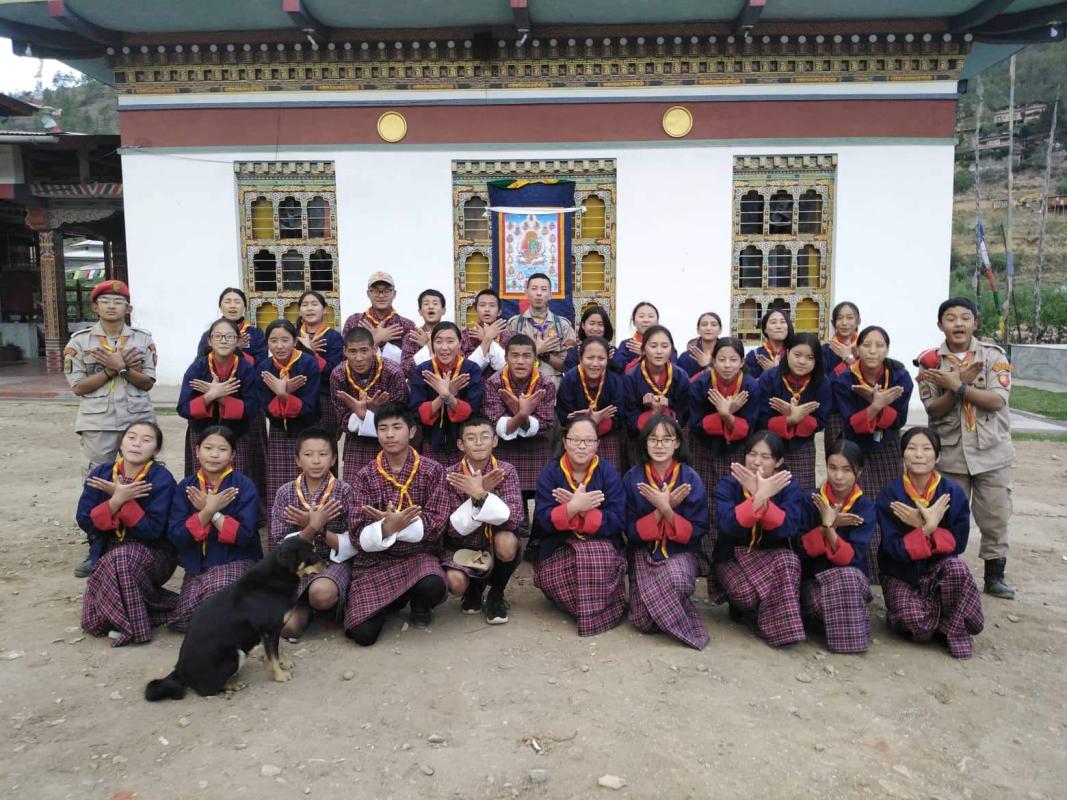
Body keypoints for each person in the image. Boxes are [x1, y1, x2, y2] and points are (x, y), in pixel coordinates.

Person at [916, 297, 1016, 599]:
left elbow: (998, 400)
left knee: (995, 514)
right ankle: (947, 571)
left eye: (964, 318)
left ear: (976, 322)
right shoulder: (930, 362)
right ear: (940, 325)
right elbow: (933, 409)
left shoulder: (994, 357)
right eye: (950, 318)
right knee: (949, 516)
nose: (958, 324)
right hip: (951, 452)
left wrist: (959, 387)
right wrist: (953, 385)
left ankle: (994, 575)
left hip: (991, 452)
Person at [64, 279, 158, 579]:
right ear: (95, 307)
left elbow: (148, 382)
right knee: (98, 481)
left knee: (140, 479)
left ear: (128, 308)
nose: (112, 305)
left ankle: (139, 540)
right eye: (105, 301)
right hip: (98, 422)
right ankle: (97, 546)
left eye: (118, 302)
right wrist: (109, 369)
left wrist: (123, 369)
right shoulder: (80, 342)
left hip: (137, 419)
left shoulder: (142, 340)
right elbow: (78, 386)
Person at [344, 403, 450, 644]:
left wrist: (397, 524)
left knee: (433, 585)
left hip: (418, 554)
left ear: (412, 431)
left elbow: (437, 521)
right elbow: (356, 531)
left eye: (396, 427)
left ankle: (419, 602)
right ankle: (393, 599)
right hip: (376, 562)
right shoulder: (365, 475)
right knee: (363, 635)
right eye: (382, 428)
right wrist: (387, 527)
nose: (389, 435)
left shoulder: (432, 470)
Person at [877, 427, 984, 659]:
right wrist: (926, 528)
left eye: (926, 449)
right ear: (902, 454)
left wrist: (929, 528)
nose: (918, 455)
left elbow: (958, 543)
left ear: (937, 457)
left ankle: (951, 629)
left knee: (957, 567)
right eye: (912, 448)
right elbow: (891, 548)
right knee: (917, 625)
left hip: (937, 571)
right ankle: (940, 617)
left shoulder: (952, 493)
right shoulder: (890, 494)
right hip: (900, 572)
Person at [76, 422, 178, 646]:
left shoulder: (161, 479)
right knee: (93, 623)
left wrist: (127, 502)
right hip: (107, 551)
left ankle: (132, 627)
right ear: (121, 444)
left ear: (156, 450)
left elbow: (153, 531)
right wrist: (115, 501)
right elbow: (85, 521)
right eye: (131, 437)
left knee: (122, 558)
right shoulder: (102, 473)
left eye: (146, 440)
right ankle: (145, 609)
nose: (137, 443)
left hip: (153, 553)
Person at [532, 415, 627, 636]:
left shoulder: (608, 473)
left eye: (588, 441)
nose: (582, 446)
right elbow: (542, 520)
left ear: (597, 444)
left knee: (594, 557)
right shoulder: (551, 473)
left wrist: (585, 511)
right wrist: (571, 509)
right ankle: (595, 609)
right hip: (559, 546)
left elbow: (618, 519)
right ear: (565, 441)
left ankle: (587, 609)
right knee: (570, 573)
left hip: (600, 544)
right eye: (576, 440)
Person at [832, 325, 913, 578]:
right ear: (857, 348)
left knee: (889, 502)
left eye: (879, 345)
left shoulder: (900, 376)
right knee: (858, 502)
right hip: (855, 446)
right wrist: (876, 404)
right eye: (867, 345)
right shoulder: (845, 378)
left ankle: (887, 566)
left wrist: (875, 408)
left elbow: (899, 419)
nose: (873, 350)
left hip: (887, 444)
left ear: (887, 349)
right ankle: (861, 565)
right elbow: (849, 421)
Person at [623, 415, 710, 649]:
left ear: (677, 443)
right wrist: (661, 510)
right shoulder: (632, 477)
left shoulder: (690, 477)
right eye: (653, 439)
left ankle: (668, 606)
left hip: (678, 550)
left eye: (666, 439)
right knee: (642, 621)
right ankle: (667, 607)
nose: (659, 445)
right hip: (644, 552)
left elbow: (698, 529)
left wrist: (666, 509)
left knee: (676, 580)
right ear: (645, 443)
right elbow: (630, 531)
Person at [712, 431, 805, 648]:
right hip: (733, 555)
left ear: (778, 462)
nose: (756, 462)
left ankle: (781, 629)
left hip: (772, 556)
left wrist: (763, 497)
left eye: (765, 457)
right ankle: (744, 609)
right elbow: (726, 525)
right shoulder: (729, 483)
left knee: (789, 561)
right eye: (752, 454)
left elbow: (788, 529)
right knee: (744, 594)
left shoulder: (789, 487)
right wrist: (759, 497)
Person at [269, 427, 360, 641]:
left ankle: (324, 603)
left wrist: (316, 529)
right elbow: (278, 544)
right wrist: (312, 527)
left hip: (333, 561)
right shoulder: (285, 492)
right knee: (286, 628)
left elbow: (355, 540)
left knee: (321, 594)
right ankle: (305, 608)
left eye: (323, 454)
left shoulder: (344, 491)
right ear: (298, 460)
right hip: (295, 566)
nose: (316, 461)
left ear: (333, 459)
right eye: (308, 455)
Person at [167, 425, 262, 631]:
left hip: (235, 560)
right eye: (208, 448)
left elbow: (245, 535)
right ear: (197, 451)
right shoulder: (186, 486)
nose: (214, 455)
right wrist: (207, 511)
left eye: (222, 449)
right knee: (183, 619)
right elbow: (177, 536)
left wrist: (215, 514)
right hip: (198, 566)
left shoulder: (243, 485)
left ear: (233, 455)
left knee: (217, 596)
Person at [689, 337, 761, 577]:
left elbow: (749, 426)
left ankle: (728, 559)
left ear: (742, 362)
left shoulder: (750, 386)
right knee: (704, 499)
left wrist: (725, 414)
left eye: (733, 359)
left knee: (733, 499)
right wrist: (728, 415)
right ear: (713, 360)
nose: (727, 365)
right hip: (704, 447)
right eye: (721, 359)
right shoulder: (701, 384)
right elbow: (697, 424)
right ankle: (703, 559)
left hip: (737, 449)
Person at [442, 417, 524, 624]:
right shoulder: (450, 475)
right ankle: (472, 590)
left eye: (485, 436)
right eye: (471, 438)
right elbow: (451, 529)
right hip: (461, 545)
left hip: (494, 543)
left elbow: (514, 518)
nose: (478, 442)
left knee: (507, 541)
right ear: (461, 444)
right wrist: (478, 496)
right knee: (455, 582)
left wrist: (481, 495)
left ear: (495, 441)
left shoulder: (506, 471)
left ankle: (496, 593)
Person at [797, 440, 876, 654]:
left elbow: (851, 558)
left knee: (849, 576)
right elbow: (801, 550)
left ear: (859, 472)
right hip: (815, 580)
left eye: (846, 470)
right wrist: (826, 526)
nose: (838, 477)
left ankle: (845, 637)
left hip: (851, 577)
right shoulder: (810, 500)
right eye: (832, 468)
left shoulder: (865, 507)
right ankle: (846, 627)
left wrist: (829, 526)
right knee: (823, 605)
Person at [177, 318, 260, 477]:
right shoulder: (197, 368)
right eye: (218, 336)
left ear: (237, 341)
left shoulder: (246, 369)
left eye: (229, 336)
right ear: (209, 340)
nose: (224, 341)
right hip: (202, 433)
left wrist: (221, 398)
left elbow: (252, 409)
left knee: (235, 480)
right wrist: (210, 396)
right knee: (203, 479)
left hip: (236, 434)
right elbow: (183, 408)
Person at [480, 334, 557, 494]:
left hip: (537, 449)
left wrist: (518, 414)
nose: (520, 361)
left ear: (535, 358)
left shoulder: (546, 384)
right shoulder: (494, 382)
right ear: (506, 358)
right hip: (504, 450)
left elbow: (545, 424)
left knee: (541, 507)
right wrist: (522, 414)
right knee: (510, 504)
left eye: (527, 356)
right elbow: (494, 423)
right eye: (514, 356)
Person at [331, 326, 409, 484]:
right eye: (352, 351)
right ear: (344, 351)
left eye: (364, 350)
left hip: (391, 441)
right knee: (355, 494)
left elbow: (401, 414)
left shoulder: (392, 372)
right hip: (356, 443)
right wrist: (364, 414)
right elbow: (343, 420)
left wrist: (369, 412)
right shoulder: (338, 375)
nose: (358, 358)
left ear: (374, 349)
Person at [757, 332, 831, 491]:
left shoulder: (822, 382)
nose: (802, 361)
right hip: (769, 445)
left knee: (801, 492)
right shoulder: (769, 377)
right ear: (788, 352)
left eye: (810, 358)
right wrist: (790, 419)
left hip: (803, 446)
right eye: (797, 355)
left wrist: (797, 418)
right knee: (769, 491)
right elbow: (761, 417)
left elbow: (822, 420)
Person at [259, 320, 321, 505]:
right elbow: (265, 406)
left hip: (307, 429)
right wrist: (284, 394)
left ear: (295, 341)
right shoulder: (264, 367)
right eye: (273, 340)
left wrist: (282, 394)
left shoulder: (308, 363)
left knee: (309, 479)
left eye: (285, 340)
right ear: (267, 343)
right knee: (279, 481)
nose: (279, 346)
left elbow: (309, 406)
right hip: (278, 431)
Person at [410, 321, 483, 460]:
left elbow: (473, 410)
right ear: (431, 345)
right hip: (430, 441)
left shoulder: (471, 369)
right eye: (438, 342)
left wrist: (449, 397)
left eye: (450, 341)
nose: (444, 347)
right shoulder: (423, 370)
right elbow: (417, 413)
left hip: (464, 442)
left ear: (460, 343)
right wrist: (443, 396)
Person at [556, 336, 626, 469]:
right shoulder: (570, 380)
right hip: (576, 438)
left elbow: (619, 415)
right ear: (581, 358)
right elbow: (565, 416)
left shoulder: (615, 381)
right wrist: (590, 421)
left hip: (607, 436)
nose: (595, 364)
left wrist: (598, 422)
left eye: (601, 358)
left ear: (608, 359)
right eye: (590, 358)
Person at [504, 272, 577, 386]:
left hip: (553, 387)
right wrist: (537, 350)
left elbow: (569, 366)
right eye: (534, 289)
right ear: (526, 293)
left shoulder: (562, 325)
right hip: (521, 387)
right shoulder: (515, 324)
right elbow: (506, 361)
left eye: (543, 289)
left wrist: (546, 356)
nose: (539, 293)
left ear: (550, 295)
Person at [622, 325, 691, 437]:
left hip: (672, 435)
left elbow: (683, 411)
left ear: (672, 350)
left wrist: (664, 409)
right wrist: (653, 413)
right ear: (643, 350)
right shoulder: (631, 377)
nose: (659, 351)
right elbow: (630, 414)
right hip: (639, 436)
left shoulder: (680, 376)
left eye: (664, 346)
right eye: (653, 346)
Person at [340, 271, 416, 365]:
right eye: (376, 291)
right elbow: (343, 357)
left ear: (394, 294)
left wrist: (384, 344)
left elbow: (410, 363)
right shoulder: (355, 321)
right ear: (368, 293)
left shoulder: (406, 325)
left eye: (387, 291)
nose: (381, 295)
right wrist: (375, 339)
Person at [296, 290, 345, 438]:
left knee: (326, 445)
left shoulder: (334, 337)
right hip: (298, 396)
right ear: (299, 311)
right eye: (305, 305)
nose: (310, 308)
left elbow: (334, 370)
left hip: (325, 398)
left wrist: (311, 353)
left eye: (314, 304)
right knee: (301, 445)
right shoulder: (293, 336)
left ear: (324, 309)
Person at [822, 301, 861, 451]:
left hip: (862, 409)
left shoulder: (866, 347)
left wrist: (849, 359)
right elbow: (825, 382)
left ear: (858, 321)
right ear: (833, 322)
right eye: (839, 318)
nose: (845, 323)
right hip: (835, 414)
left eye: (850, 318)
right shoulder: (825, 350)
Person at [196, 287, 268, 366]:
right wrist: (233, 348)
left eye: (237, 302)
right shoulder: (209, 335)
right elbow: (200, 364)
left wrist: (238, 353)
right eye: (227, 302)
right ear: (220, 307)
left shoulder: (256, 334)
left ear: (244, 307)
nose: (232, 306)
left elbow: (261, 366)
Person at [461, 288, 512, 377]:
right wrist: (487, 338)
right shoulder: (465, 336)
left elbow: (508, 366)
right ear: (476, 310)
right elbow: (466, 370)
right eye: (482, 305)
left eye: (492, 305)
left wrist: (487, 339)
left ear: (499, 311)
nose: (487, 309)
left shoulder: (508, 337)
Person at [614, 301, 675, 373]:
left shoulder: (666, 345)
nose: (646, 320)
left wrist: (647, 353)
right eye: (641, 316)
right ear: (633, 321)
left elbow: (673, 370)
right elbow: (618, 371)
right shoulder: (627, 345)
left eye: (650, 316)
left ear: (657, 321)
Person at [401, 288, 447, 380]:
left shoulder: (452, 335)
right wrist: (428, 347)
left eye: (435, 303)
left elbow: (458, 364)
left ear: (443, 311)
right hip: (418, 387)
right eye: (426, 304)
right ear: (420, 312)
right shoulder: (412, 336)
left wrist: (428, 344)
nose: (431, 307)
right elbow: (406, 369)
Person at [563, 305, 615, 371]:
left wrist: (608, 363)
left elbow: (619, 378)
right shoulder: (574, 353)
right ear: (583, 325)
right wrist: (582, 363)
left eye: (600, 324)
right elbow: (569, 379)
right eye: (592, 323)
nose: (596, 328)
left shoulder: (613, 353)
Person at [744, 308, 792, 379]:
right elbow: (749, 386)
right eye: (773, 322)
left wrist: (776, 370)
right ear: (765, 329)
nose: (779, 326)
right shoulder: (754, 355)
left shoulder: (794, 354)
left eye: (783, 322)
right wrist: (771, 373)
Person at [677, 311, 723, 381]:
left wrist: (707, 365)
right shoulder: (686, 357)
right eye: (704, 325)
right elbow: (682, 385)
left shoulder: (728, 355)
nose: (708, 328)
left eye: (713, 325)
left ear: (720, 330)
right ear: (698, 330)